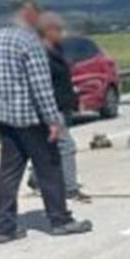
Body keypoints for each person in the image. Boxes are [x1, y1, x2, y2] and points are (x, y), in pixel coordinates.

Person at [0, 0, 92, 244]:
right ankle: (60, 219)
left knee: (8, 174)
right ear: (28, 16)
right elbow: (41, 87)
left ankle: (4, 227)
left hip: (6, 119)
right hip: (32, 119)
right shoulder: (30, 43)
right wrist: (53, 120)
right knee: (49, 169)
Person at [28, 12, 91, 202]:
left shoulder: (54, 50)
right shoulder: (41, 53)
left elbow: (64, 80)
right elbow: (45, 84)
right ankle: (70, 188)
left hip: (58, 105)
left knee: (48, 146)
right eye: (58, 29)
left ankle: (37, 178)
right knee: (66, 145)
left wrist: (73, 99)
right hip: (51, 107)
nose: (62, 33)